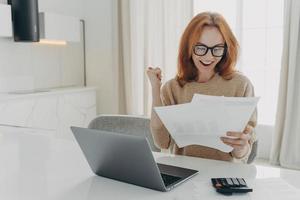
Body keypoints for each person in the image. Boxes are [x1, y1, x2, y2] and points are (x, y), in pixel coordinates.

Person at [146, 12, 257, 163]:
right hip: (184, 174)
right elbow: (162, 142)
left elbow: (243, 154)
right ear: (188, 48)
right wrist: (155, 89)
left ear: (226, 49)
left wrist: (241, 146)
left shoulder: (241, 85)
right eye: (200, 48)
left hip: (224, 177)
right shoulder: (173, 88)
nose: (208, 57)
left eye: (217, 49)